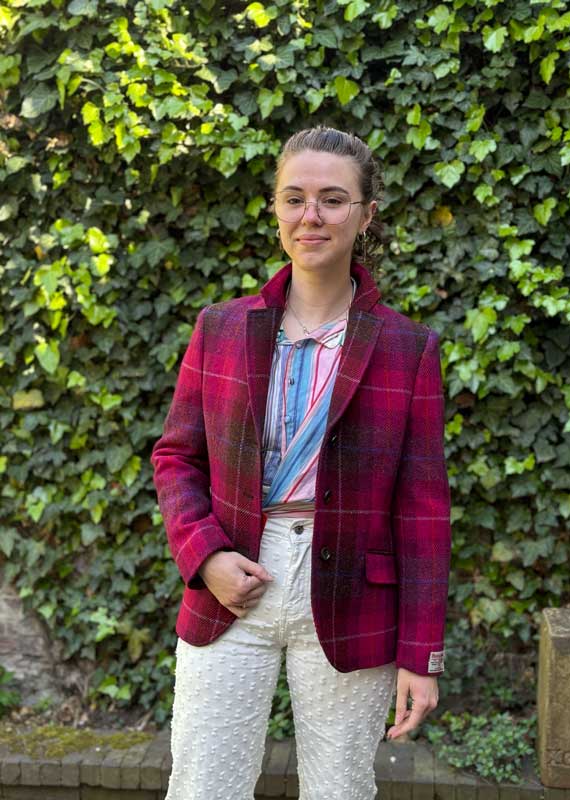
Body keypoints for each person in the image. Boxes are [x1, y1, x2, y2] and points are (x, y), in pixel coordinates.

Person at [150, 125, 452, 800]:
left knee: (340, 789)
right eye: (295, 198)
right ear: (276, 209)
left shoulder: (408, 349)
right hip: (232, 582)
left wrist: (421, 654)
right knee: (203, 785)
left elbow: (423, 509)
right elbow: (176, 457)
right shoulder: (221, 327)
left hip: (353, 595)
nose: (311, 215)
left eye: (333, 199)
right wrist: (205, 555)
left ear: (366, 215)